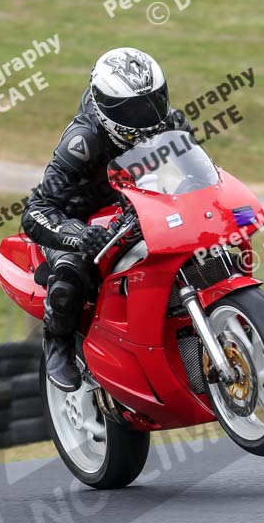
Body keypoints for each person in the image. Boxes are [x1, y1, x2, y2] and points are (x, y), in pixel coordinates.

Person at [21, 47, 193, 391]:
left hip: (134, 207)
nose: (147, 115)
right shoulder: (81, 142)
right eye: (133, 108)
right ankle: (58, 344)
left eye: (153, 101)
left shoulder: (169, 122)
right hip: (79, 219)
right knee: (71, 277)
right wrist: (78, 236)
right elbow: (36, 210)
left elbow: (197, 175)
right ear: (105, 106)